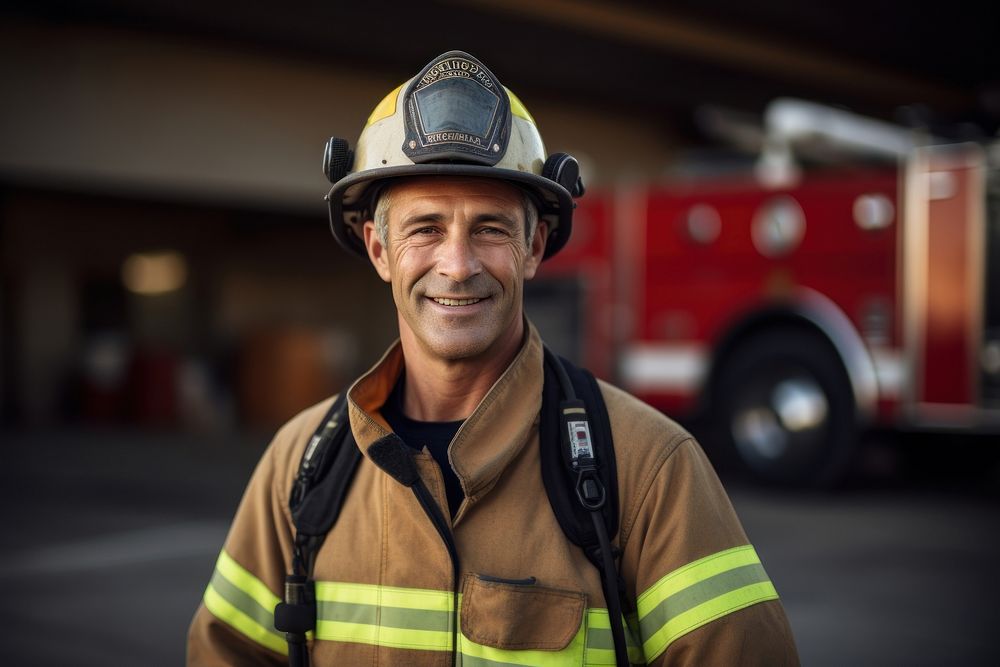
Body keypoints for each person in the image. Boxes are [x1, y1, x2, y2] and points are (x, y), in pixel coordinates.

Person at [187, 50, 799, 666]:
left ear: (533, 246)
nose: (458, 266)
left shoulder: (650, 471)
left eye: (490, 228)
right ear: (378, 250)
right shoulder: (299, 466)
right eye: (425, 228)